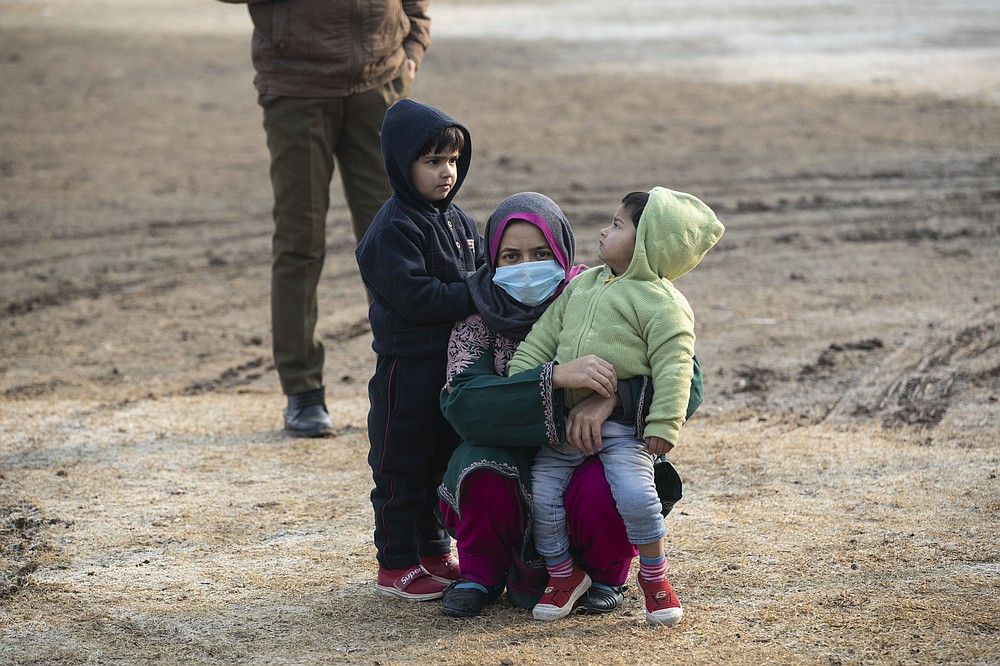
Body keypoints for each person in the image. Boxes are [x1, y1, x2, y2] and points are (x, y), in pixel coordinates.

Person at [437, 191, 703, 618]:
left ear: (561, 249)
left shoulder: (607, 292)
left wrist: (610, 396)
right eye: (511, 256)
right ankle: (480, 576)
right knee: (482, 465)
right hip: (513, 456)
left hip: (593, 445)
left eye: (541, 253)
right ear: (492, 260)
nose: (526, 267)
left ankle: (605, 576)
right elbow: (465, 404)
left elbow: (686, 377)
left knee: (606, 482)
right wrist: (554, 378)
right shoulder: (476, 320)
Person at [506, 187, 724, 626]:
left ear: (648, 245)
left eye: (619, 225)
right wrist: (522, 379)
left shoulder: (662, 303)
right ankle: (563, 574)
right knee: (543, 494)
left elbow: (676, 366)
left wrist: (664, 422)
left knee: (637, 496)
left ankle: (654, 577)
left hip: (625, 432)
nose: (605, 230)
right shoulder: (582, 284)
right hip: (568, 426)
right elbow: (543, 338)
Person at [216, 0, 431, 437]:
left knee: (398, 238)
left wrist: (414, 45)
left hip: (379, 80)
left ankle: (407, 383)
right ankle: (303, 390)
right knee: (300, 240)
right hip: (297, 86)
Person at [355, 98, 484, 601]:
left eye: (452, 160)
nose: (446, 172)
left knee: (439, 463)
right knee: (400, 468)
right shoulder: (391, 229)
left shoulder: (460, 222)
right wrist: (479, 291)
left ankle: (433, 550)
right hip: (405, 370)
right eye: (432, 161)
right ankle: (396, 563)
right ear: (401, 163)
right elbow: (418, 298)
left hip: (450, 368)